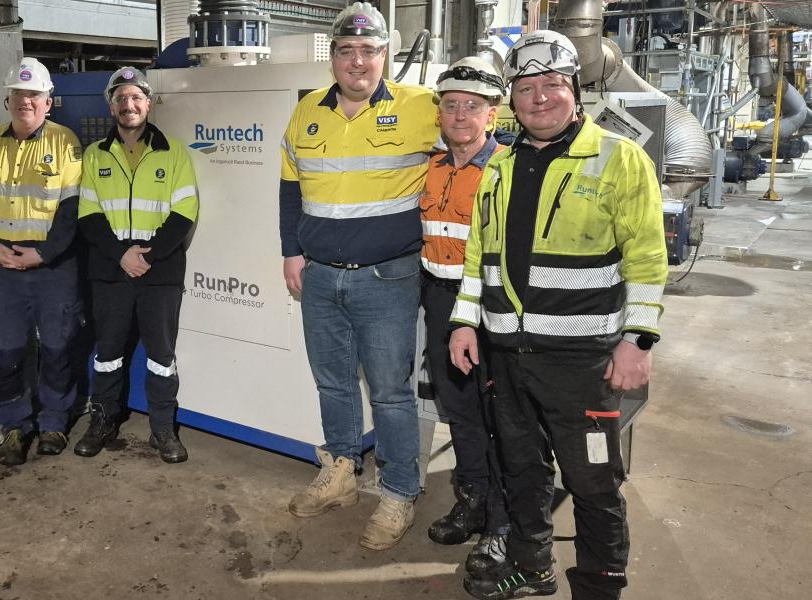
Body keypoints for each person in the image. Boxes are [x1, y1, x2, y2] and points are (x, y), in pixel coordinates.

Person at [448, 31, 667, 600]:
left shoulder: (620, 159)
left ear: (574, 90)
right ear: (512, 98)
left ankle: (598, 587)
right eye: (527, 87)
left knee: (593, 481)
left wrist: (638, 341)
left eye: (553, 85)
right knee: (522, 471)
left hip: (583, 361)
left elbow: (647, 257)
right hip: (507, 355)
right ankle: (532, 567)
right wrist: (465, 322)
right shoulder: (500, 166)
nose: (540, 98)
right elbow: (480, 255)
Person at [279, 1, 439, 551]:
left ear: (385, 55)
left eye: (368, 51)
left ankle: (398, 491)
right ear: (333, 59)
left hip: (389, 278)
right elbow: (289, 188)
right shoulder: (307, 112)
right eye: (346, 51)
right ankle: (342, 472)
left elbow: (471, 153)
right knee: (334, 382)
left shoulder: (423, 106)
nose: (357, 62)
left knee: (392, 393)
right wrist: (290, 252)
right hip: (320, 277)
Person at [75, 66, 199, 463]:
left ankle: (163, 428)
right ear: (111, 106)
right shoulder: (95, 155)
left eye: (135, 97)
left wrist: (148, 254)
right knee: (108, 351)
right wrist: (121, 254)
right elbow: (88, 214)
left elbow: (185, 210)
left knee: (162, 356)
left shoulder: (173, 151)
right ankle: (104, 420)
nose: (129, 105)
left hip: (159, 271)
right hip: (111, 271)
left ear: (148, 103)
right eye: (121, 98)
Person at [420, 57, 509, 578]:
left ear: (491, 116)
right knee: (458, 409)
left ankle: (502, 521)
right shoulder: (430, 166)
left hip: (490, 307)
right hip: (439, 301)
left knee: (500, 415)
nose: (459, 115)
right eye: (451, 105)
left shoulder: (506, 170)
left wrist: (473, 315)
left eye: (471, 107)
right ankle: (471, 499)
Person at [0, 58, 84, 465]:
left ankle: (54, 421)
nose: (26, 101)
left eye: (34, 94)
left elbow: (73, 210)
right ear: (8, 99)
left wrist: (43, 253)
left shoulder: (66, 142)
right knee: (6, 351)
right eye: (19, 94)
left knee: (57, 345)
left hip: (51, 266)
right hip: (0, 263)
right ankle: (14, 426)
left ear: (48, 101)